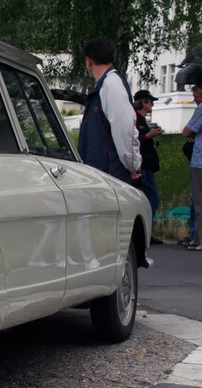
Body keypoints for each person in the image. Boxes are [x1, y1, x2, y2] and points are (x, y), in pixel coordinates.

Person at [78, 38, 142, 184]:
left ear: (89, 61)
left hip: (111, 175)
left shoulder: (112, 84)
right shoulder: (104, 86)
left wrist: (133, 165)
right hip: (101, 172)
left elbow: (125, 128)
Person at [133, 89, 163, 244]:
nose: (152, 104)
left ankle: (146, 233)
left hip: (147, 167)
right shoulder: (134, 119)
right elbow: (134, 139)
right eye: (150, 102)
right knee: (146, 200)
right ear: (143, 102)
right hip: (140, 166)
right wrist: (148, 136)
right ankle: (143, 235)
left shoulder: (142, 119)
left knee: (152, 199)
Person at [182, 85, 202, 251]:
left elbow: (186, 131)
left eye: (196, 96)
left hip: (200, 162)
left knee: (199, 202)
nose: (195, 99)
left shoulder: (201, 109)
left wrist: (191, 134)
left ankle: (199, 239)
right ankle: (196, 238)